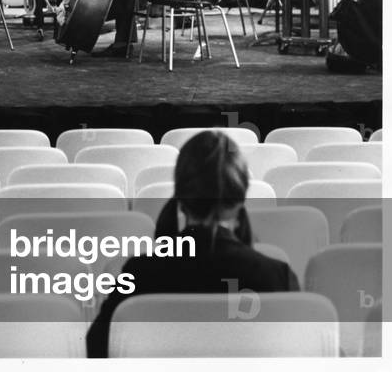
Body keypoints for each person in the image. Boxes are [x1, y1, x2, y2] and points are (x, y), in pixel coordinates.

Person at [85, 130, 298, 357]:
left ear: (181, 199)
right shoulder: (277, 277)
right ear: (240, 196)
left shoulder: (140, 273)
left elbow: (95, 349)